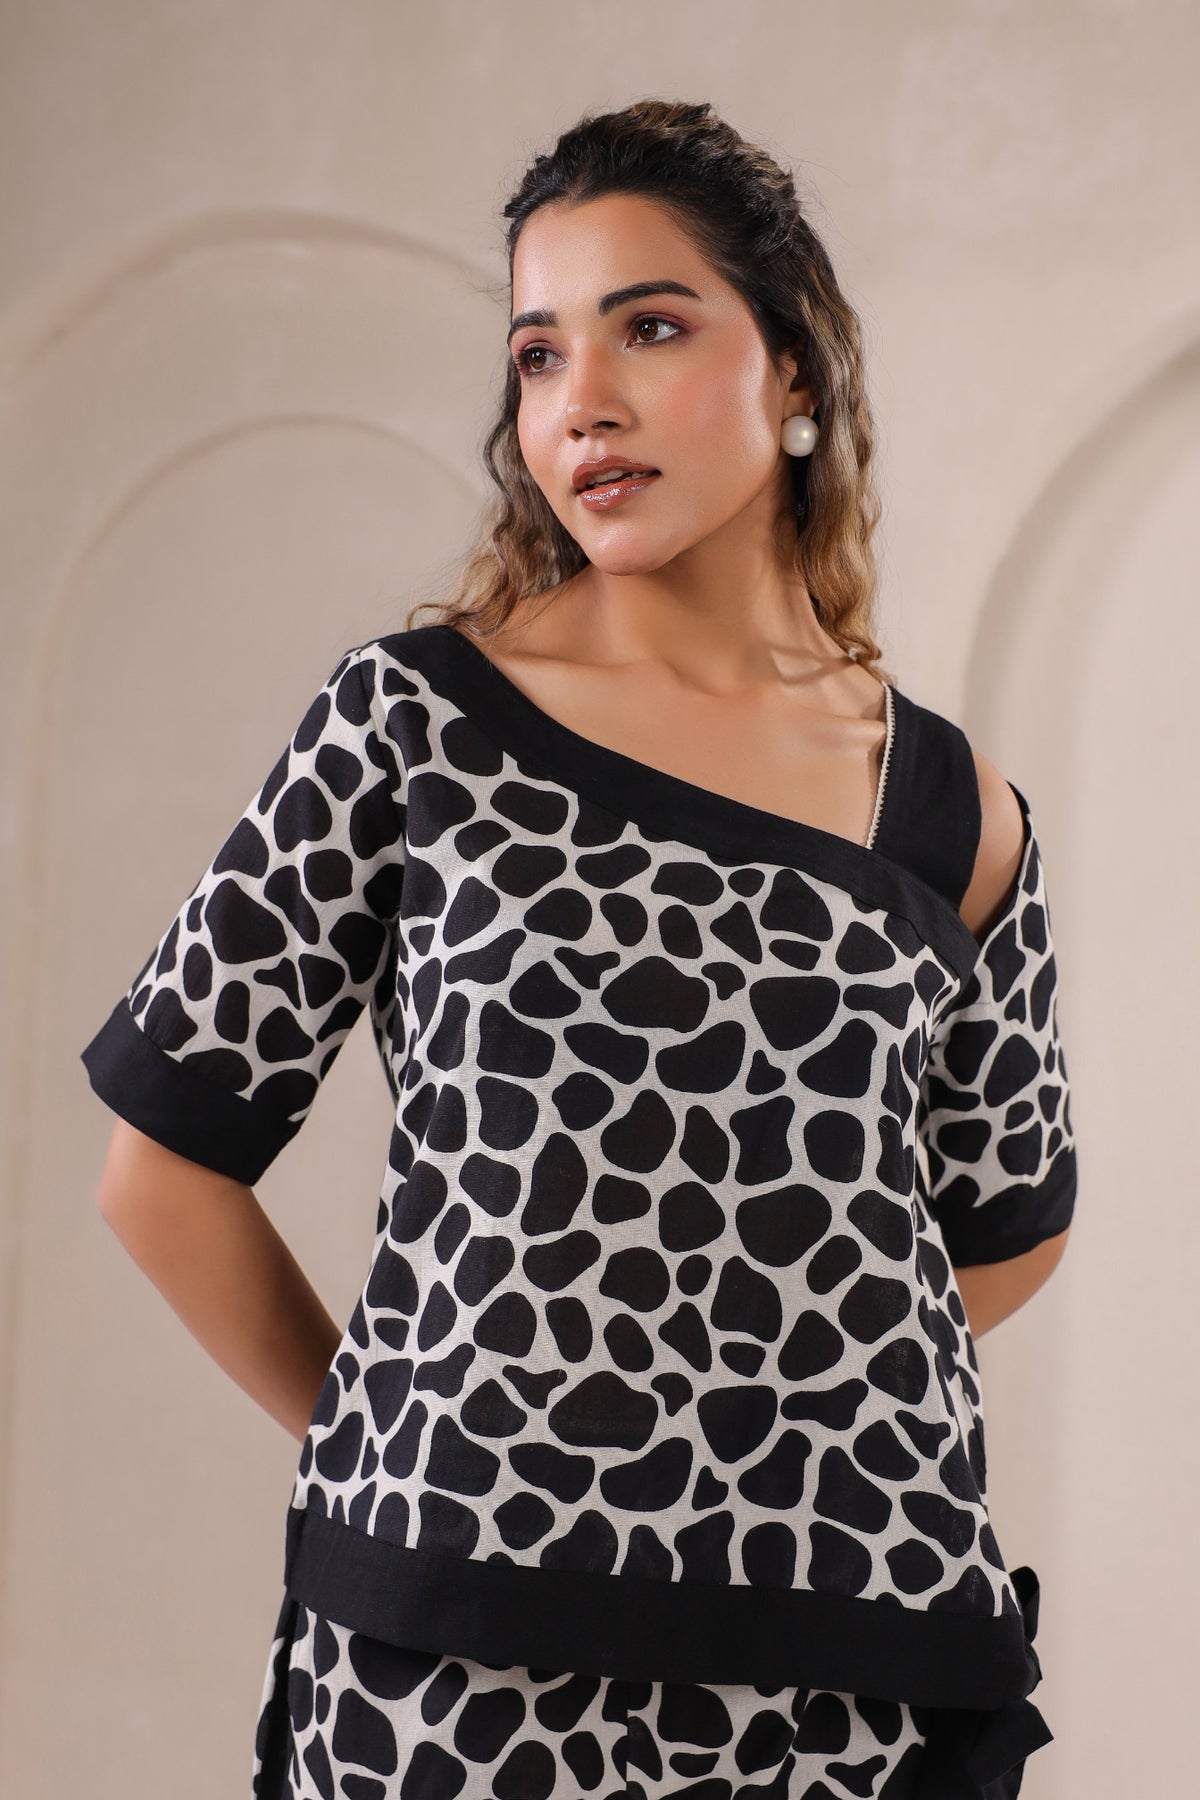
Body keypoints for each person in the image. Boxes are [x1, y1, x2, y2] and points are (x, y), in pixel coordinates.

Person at [81, 98, 1078, 1800]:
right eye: (538, 356)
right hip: (456, 1669)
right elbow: (161, 1169)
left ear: (794, 371)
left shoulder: (948, 808)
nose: (581, 402)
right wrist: (424, 1456)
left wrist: (768, 1423)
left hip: (853, 1677)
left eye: (651, 327)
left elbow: (1005, 1228)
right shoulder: (416, 724)